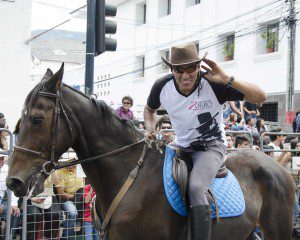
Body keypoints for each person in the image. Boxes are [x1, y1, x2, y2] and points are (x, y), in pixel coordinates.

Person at [143, 43, 266, 240]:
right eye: (179, 69)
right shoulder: (162, 86)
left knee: (196, 187)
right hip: (179, 145)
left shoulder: (214, 83)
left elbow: (261, 97)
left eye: (191, 68)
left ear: (199, 66)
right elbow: (149, 109)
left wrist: (227, 79)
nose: (185, 75)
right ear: (171, 69)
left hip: (211, 146)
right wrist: (150, 128)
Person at [26, 172, 61, 240]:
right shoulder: (31, 166)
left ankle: (50, 237)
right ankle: (31, 237)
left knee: (54, 214)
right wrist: (31, 198)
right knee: (33, 215)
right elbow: (24, 187)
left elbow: (57, 184)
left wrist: (53, 172)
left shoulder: (50, 167)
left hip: (48, 195)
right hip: (31, 196)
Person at [57, 164, 85, 240]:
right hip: (67, 199)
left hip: (80, 198)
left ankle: (82, 233)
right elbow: (60, 193)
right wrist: (73, 197)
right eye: (68, 162)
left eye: (72, 162)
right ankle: (66, 237)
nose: (70, 164)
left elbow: (83, 183)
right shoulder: (61, 172)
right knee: (72, 213)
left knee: (86, 210)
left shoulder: (79, 168)